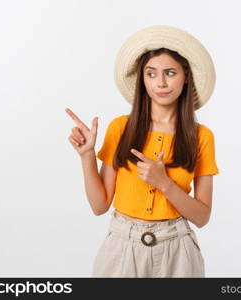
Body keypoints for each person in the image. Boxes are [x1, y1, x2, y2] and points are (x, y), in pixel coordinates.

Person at [65, 25, 220, 278]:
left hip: (177, 252)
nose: (160, 83)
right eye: (151, 74)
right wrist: (86, 157)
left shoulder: (201, 136)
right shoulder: (121, 128)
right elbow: (99, 205)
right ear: (142, 79)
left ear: (186, 77)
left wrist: (164, 183)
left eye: (170, 73)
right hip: (122, 248)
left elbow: (202, 217)